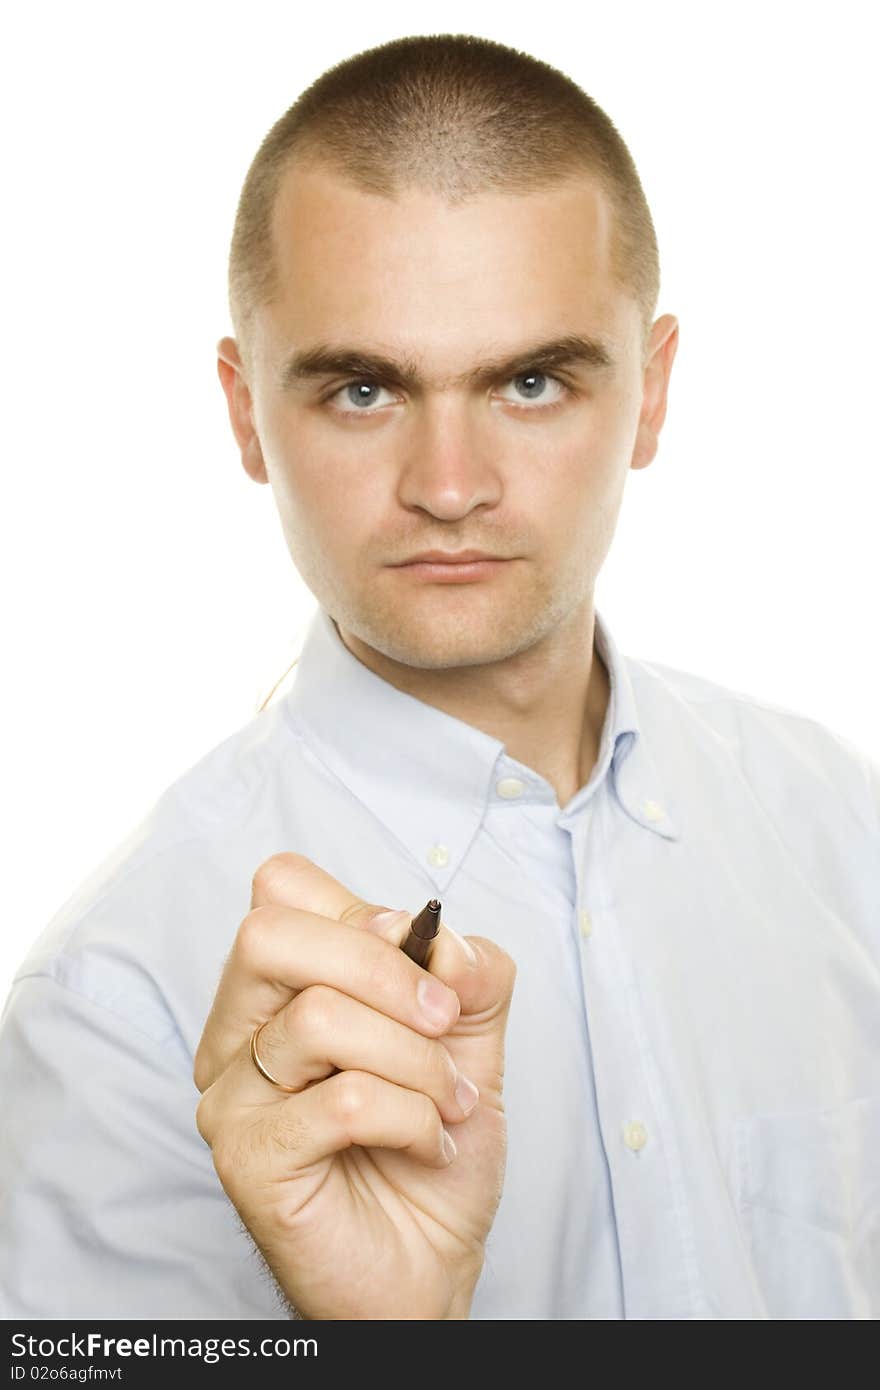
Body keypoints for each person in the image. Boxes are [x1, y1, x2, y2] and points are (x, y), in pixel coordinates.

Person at [1, 32, 878, 1323]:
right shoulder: (115, 1011)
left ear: (652, 392)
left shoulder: (837, 826)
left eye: (531, 380)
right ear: (246, 414)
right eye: (363, 389)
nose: (450, 485)